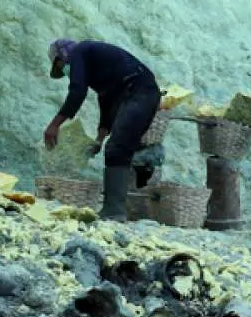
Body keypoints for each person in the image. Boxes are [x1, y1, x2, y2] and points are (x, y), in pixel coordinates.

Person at [42, 39, 162, 221]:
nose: (66, 72)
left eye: (61, 66)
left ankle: (115, 210)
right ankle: (115, 209)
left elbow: (77, 92)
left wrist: (54, 125)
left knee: (118, 148)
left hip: (140, 90)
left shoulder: (79, 52)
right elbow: (105, 101)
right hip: (137, 92)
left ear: (62, 56)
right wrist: (99, 139)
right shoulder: (98, 70)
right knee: (117, 147)